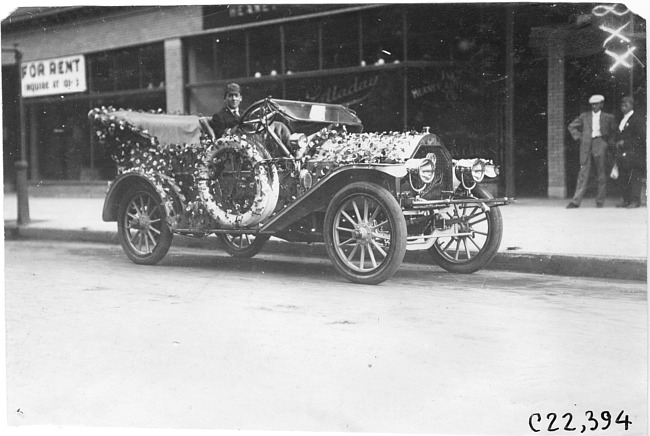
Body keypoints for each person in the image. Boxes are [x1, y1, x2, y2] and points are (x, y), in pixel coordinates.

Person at [566, 94, 617, 208]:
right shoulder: (584, 116)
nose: (594, 106)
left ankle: (600, 201)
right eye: (592, 104)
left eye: (596, 104)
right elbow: (571, 126)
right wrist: (580, 137)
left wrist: (606, 143)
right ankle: (576, 201)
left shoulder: (608, 117)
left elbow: (614, 132)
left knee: (601, 172)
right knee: (583, 173)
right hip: (586, 144)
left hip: (600, 143)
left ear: (601, 104)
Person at [613, 96, 646, 208]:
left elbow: (642, 137)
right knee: (624, 176)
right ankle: (626, 200)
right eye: (622, 103)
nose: (623, 105)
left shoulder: (637, 119)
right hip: (624, 154)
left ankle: (635, 201)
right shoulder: (623, 119)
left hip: (634, 154)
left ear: (632, 105)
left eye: (626, 103)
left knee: (634, 177)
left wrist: (625, 142)